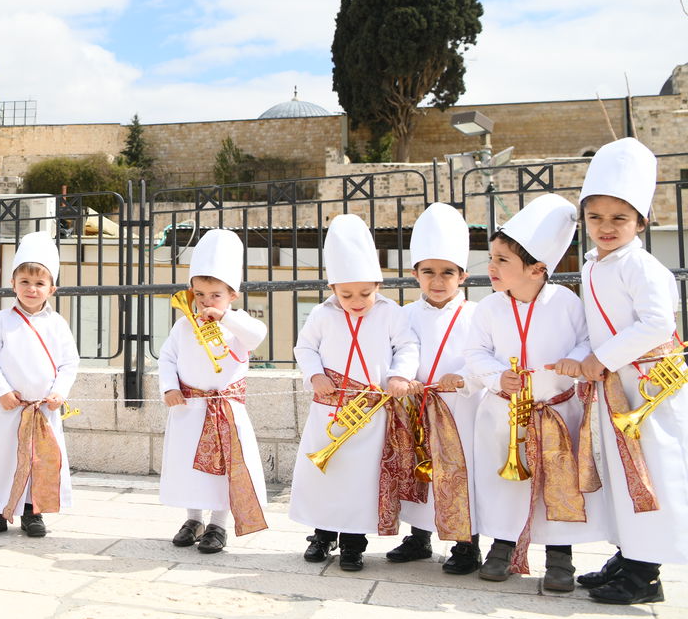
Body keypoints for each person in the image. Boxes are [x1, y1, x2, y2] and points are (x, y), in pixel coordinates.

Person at [464, 194, 606, 592]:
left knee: (557, 482)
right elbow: (475, 353)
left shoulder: (566, 302)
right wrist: (497, 377)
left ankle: (560, 556)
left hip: (556, 413)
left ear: (537, 269)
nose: (491, 267)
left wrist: (574, 360)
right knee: (505, 484)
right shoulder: (488, 308)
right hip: (503, 416)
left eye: (502, 260)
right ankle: (502, 547)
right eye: (491, 258)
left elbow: (586, 341)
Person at [574, 138, 686, 605]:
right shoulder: (592, 265)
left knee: (649, 473)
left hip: (647, 387)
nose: (606, 227)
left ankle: (645, 574)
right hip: (615, 383)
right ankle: (630, 553)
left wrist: (601, 358)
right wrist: (588, 356)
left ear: (640, 222)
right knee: (621, 472)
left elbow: (658, 322)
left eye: (619, 218)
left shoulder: (641, 265)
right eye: (595, 217)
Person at [290, 214, 418, 572]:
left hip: (371, 413)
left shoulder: (391, 313)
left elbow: (408, 346)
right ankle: (322, 534)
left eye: (365, 293)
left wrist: (399, 376)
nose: (356, 301)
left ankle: (353, 543)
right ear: (333, 288)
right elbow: (305, 348)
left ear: (377, 284)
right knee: (326, 475)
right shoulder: (322, 314)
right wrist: (315, 375)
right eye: (346, 294)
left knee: (361, 481)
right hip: (329, 408)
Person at [158, 228, 269, 554]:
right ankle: (193, 520)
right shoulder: (183, 325)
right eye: (200, 294)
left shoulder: (239, 322)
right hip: (189, 407)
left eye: (216, 295)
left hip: (225, 409)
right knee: (188, 466)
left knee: (224, 469)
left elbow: (257, 336)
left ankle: (218, 524)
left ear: (232, 295)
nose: (206, 302)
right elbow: (167, 358)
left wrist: (226, 318)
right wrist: (169, 387)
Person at [386, 203, 482, 574]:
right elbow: (396, 352)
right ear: (415, 274)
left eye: (447, 273)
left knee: (459, 472)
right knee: (418, 467)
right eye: (428, 272)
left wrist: (463, 377)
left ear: (463, 276)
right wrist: (400, 379)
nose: (437, 281)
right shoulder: (404, 314)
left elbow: (485, 355)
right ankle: (419, 536)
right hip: (416, 405)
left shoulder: (477, 315)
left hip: (460, 409)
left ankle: (466, 543)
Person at [0, 231, 79, 539]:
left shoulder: (57, 324)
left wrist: (59, 392)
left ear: (52, 289)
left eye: (40, 283)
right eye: (25, 282)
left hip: (43, 410)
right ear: (13, 283)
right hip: (10, 408)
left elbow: (69, 363)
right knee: (0, 460)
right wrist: (2, 391)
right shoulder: (1, 320)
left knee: (39, 460)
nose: (32, 289)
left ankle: (33, 511)